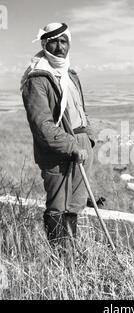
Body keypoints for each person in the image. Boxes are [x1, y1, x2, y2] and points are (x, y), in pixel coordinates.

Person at [21, 22, 95, 251]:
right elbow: (42, 125)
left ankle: (72, 254)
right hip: (58, 150)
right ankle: (60, 261)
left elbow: (80, 110)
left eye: (64, 41)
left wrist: (88, 139)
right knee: (58, 207)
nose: (59, 46)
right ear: (44, 44)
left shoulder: (71, 74)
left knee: (75, 205)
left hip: (81, 146)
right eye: (53, 41)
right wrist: (71, 145)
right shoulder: (37, 79)